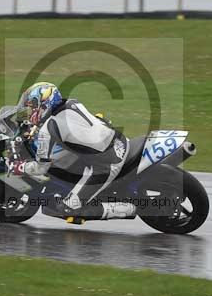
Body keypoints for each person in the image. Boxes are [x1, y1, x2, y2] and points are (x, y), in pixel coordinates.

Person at [8, 82, 136, 220]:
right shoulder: (72, 103)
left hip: (106, 164)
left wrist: (19, 167)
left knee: (68, 209)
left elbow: (41, 168)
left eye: (33, 107)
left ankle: (129, 209)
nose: (30, 111)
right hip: (119, 141)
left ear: (45, 104)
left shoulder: (48, 130)